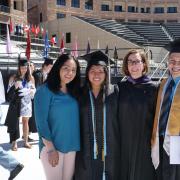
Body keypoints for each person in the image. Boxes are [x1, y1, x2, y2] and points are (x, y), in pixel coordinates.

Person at [74, 50, 120, 180]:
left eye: (101, 71)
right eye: (93, 70)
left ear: (106, 73)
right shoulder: (79, 94)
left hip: (110, 150)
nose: (96, 74)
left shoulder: (114, 92)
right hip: (85, 151)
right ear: (87, 72)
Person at [34, 54, 81, 180]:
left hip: (72, 146)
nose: (70, 73)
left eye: (73, 70)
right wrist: (50, 149)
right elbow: (41, 122)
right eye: (66, 68)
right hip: (53, 147)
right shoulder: (45, 90)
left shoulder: (73, 90)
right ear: (58, 68)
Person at [118, 49, 158, 180]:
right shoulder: (119, 88)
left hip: (144, 143)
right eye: (130, 62)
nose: (133, 65)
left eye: (137, 62)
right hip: (123, 143)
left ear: (144, 64)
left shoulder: (154, 89)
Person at [151, 39, 180, 180]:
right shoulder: (163, 84)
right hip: (160, 138)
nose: (176, 65)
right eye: (172, 61)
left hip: (177, 142)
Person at [5, 59, 36, 151]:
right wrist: (15, 86)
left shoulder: (31, 78)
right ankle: (14, 142)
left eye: (26, 68)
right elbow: (8, 92)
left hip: (26, 102)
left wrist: (31, 91)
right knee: (15, 122)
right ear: (19, 68)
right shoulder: (13, 77)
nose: (24, 69)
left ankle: (26, 141)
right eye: (22, 68)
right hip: (16, 102)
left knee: (26, 121)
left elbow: (34, 89)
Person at [0, 71, 24, 180]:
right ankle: (14, 165)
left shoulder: (18, 82)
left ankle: (14, 165)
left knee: (14, 126)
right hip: (11, 107)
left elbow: (6, 97)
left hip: (16, 107)